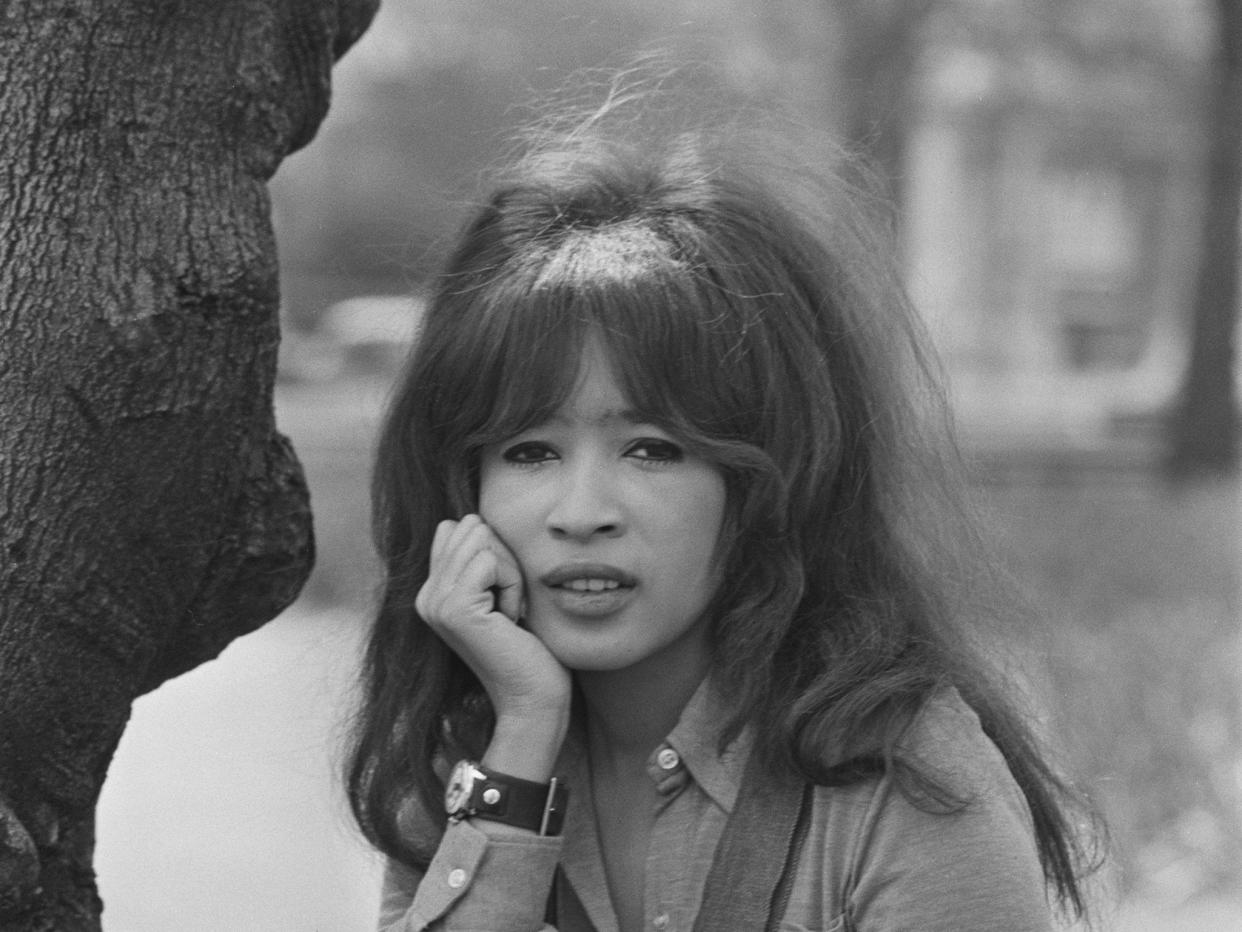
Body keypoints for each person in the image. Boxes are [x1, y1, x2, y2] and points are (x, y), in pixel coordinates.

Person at [345, 90, 1102, 932]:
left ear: (768, 481)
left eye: (653, 449)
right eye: (529, 451)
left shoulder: (908, 779)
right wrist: (524, 734)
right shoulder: (471, 754)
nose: (582, 512)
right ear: (463, 490)